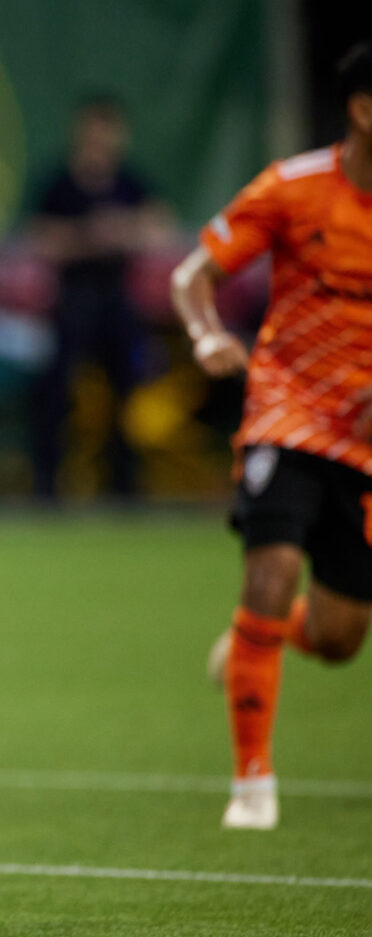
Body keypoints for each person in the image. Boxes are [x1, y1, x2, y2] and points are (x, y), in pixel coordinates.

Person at [171, 41, 372, 831]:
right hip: (286, 414)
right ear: (362, 109)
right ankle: (252, 787)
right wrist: (205, 336)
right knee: (270, 569)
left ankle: (261, 638)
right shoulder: (293, 190)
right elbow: (195, 276)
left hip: (361, 442)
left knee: (339, 635)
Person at [29, 96, 172, 499]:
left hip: (117, 301)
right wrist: (89, 237)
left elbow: (159, 228)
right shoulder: (59, 183)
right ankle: (47, 487)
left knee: (128, 392)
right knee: (55, 392)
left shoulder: (130, 182)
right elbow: (41, 239)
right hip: (71, 302)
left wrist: (122, 231)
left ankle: (125, 486)